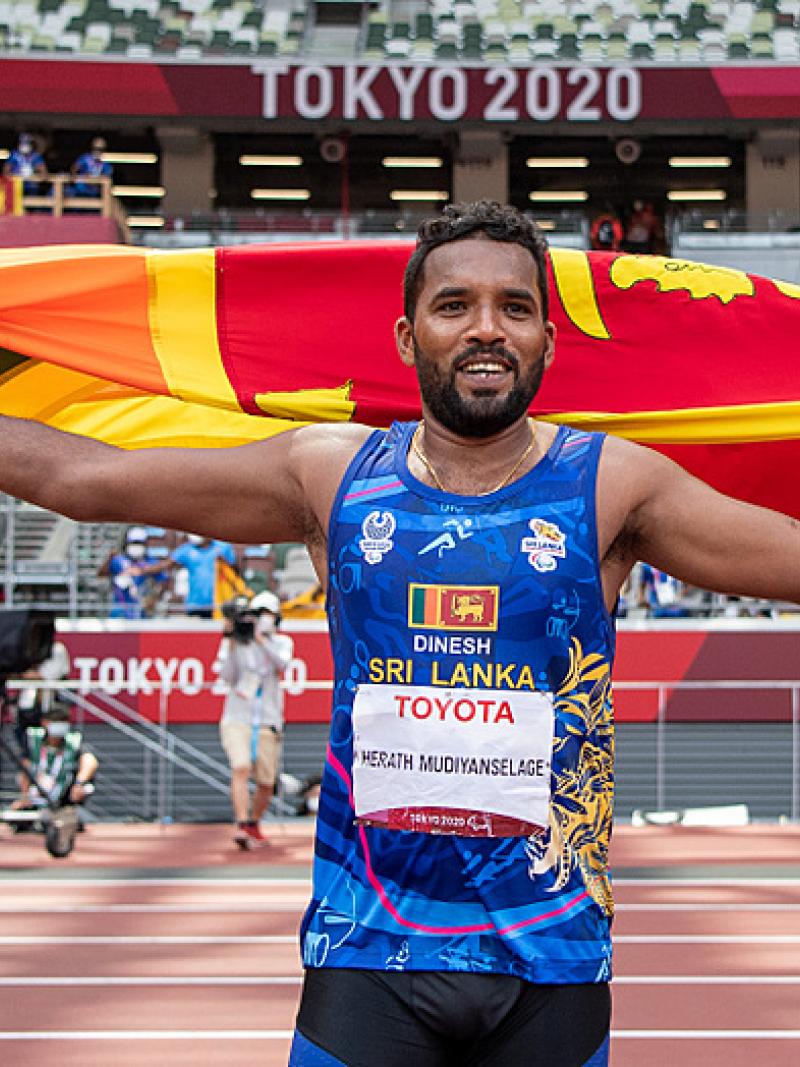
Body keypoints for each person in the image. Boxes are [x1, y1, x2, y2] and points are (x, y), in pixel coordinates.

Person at [2, 200, 800, 1065]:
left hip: (551, 956)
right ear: (406, 336)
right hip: (367, 952)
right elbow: (84, 476)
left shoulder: (613, 486)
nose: (486, 329)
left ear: (548, 340)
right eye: (454, 305)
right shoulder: (329, 474)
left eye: (516, 308)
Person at [215, 590, 294, 849]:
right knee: (240, 767)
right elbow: (226, 676)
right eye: (256, 614)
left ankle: (254, 822)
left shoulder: (282, 642)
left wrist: (261, 641)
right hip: (237, 716)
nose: (260, 619)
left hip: (268, 718)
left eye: (265, 615)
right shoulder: (237, 642)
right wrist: (231, 641)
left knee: (266, 781)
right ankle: (241, 823)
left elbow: (282, 664)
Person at [14, 705, 98, 814]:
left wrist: (79, 783)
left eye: (64, 722)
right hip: (36, 797)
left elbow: (90, 761)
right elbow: (25, 766)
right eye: (57, 722)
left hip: (65, 799)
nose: (60, 726)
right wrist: (24, 796)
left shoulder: (73, 741)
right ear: (45, 722)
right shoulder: (33, 739)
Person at [13, 638, 70, 760]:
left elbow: (44, 676)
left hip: (50, 708)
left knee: (50, 747)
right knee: (26, 749)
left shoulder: (57, 649)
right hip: (27, 709)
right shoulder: (25, 649)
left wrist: (21, 673)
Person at [97, 525, 168, 619]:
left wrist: (153, 598)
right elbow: (101, 574)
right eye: (134, 543)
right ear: (127, 543)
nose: (136, 546)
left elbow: (164, 581)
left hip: (141, 612)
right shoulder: (119, 560)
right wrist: (109, 559)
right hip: (119, 612)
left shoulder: (151, 562)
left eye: (139, 543)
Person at [164, 535, 237, 619]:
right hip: (195, 605)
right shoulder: (187, 549)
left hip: (220, 604)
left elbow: (235, 571)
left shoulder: (223, 548)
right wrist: (146, 570)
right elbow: (167, 564)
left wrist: (224, 561)